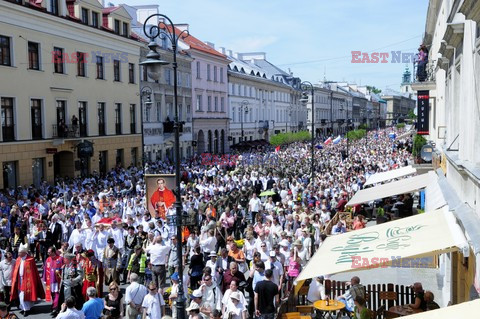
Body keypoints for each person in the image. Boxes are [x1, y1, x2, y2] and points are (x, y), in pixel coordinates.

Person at [10, 243, 45, 316]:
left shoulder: (30, 259)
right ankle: (24, 308)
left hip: (28, 280)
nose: (18, 253)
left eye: (20, 252)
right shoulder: (18, 259)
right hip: (20, 279)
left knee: (25, 295)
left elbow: (33, 272)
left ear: (24, 252)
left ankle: (27, 309)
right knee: (21, 294)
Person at [43, 246, 64, 314]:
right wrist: (44, 278)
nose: (48, 253)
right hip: (50, 280)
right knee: (52, 294)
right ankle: (54, 306)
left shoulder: (60, 259)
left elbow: (63, 268)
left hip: (57, 280)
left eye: (49, 252)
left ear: (53, 252)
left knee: (57, 293)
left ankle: (55, 307)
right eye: (48, 252)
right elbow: (45, 269)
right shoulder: (48, 259)